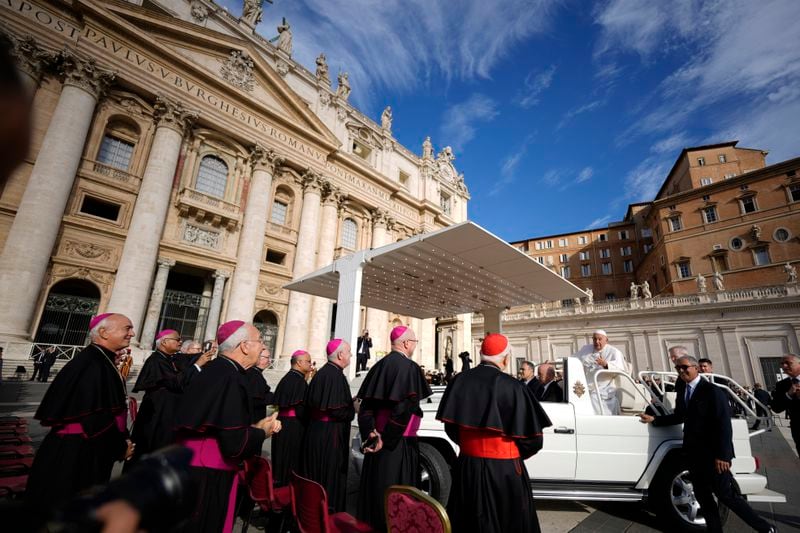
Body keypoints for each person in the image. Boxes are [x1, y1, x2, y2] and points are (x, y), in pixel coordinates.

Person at [640, 356, 774, 533]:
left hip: (713, 455)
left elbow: (723, 424)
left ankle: (765, 528)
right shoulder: (684, 391)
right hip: (693, 454)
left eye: (685, 367)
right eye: (677, 368)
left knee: (726, 496)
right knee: (703, 497)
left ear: (696, 368)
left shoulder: (712, 391)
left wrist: (723, 455)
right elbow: (680, 416)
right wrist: (655, 419)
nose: (681, 370)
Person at [436, 333, 551, 533]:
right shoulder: (514, 387)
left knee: (467, 522)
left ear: (480, 354)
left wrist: (471, 446)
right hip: (504, 471)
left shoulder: (459, 380)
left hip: (467, 466)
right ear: (506, 359)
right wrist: (506, 453)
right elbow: (533, 440)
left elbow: (451, 427)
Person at [173, 320, 280, 533]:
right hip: (208, 473)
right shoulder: (231, 377)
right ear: (244, 346)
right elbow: (233, 443)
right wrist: (262, 432)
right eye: (259, 341)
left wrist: (254, 426)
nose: (262, 346)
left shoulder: (217, 369)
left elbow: (223, 423)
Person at [25, 313, 135, 513]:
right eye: (127, 328)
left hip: (87, 448)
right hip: (77, 454)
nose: (132, 333)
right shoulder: (93, 363)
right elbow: (95, 417)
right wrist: (119, 447)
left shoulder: (101, 359)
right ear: (103, 332)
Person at [356, 326, 432, 530]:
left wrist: (371, 433)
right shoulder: (409, 368)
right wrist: (386, 439)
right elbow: (403, 409)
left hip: (376, 444)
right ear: (407, 343)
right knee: (397, 498)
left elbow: (365, 407)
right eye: (414, 342)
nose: (414, 346)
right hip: (397, 445)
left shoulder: (378, 366)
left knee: (376, 494)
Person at [302, 339, 355, 512]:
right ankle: (327, 520)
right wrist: (353, 409)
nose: (351, 355)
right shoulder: (335, 376)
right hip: (330, 438)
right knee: (328, 479)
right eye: (348, 352)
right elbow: (337, 411)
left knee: (314, 478)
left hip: (315, 432)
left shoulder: (323, 373)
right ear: (340, 355)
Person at [125, 329, 184, 469]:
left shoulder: (167, 359)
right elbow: (173, 382)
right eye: (177, 339)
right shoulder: (157, 360)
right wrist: (196, 366)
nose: (180, 342)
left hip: (163, 412)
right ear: (164, 342)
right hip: (156, 414)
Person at [271, 349, 312, 486]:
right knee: (291, 460)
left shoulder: (287, 378)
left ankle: (278, 489)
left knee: (281, 458)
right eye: (308, 361)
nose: (311, 364)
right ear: (299, 363)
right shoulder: (298, 381)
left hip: (283, 424)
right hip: (294, 427)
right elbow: (301, 410)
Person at [572, 330, 627, 415]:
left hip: (605, 386)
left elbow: (621, 369)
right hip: (586, 385)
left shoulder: (613, 352)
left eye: (599, 339)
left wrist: (606, 364)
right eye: (594, 339)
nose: (596, 342)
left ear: (606, 340)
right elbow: (573, 358)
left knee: (594, 397)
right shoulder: (586, 349)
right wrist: (554, 362)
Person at [771, 354, 800, 455]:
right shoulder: (782, 385)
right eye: (782, 364)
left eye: (788, 363)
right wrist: (788, 394)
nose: (784, 366)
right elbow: (776, 408)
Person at [244, 346, 273, 422]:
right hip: (254, 418)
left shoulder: (255, 373)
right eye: (267, 357)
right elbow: (255, 400)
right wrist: (271, 397)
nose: (269, 361)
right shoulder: (254, 375)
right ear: (260, 358)